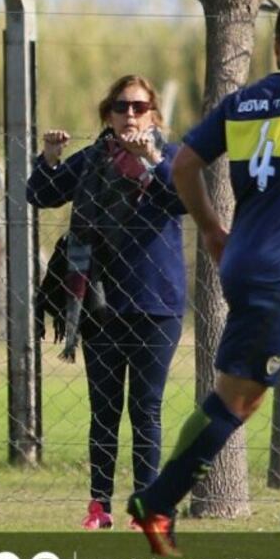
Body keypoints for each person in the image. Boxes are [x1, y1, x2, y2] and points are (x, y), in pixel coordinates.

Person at [128, 0, 280, 556]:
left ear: (275, 47)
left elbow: (182, 166)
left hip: (254, 260)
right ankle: (157, 501)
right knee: (237, 400)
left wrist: (213, 231)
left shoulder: (243, 100)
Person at [28, 75, 186, 530]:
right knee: (104, 411)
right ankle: (99, 506)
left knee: (146, 409)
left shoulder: (171, 158)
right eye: (121, 107)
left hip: (157, 304)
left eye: (138, 107)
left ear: (154, 113)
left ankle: (146, 507)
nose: (130, 115)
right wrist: (50, 159)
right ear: (107, 114)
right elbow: (40, 195)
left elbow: (179, 200)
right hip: (100, 303)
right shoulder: (94, 159)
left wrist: (151, 159)